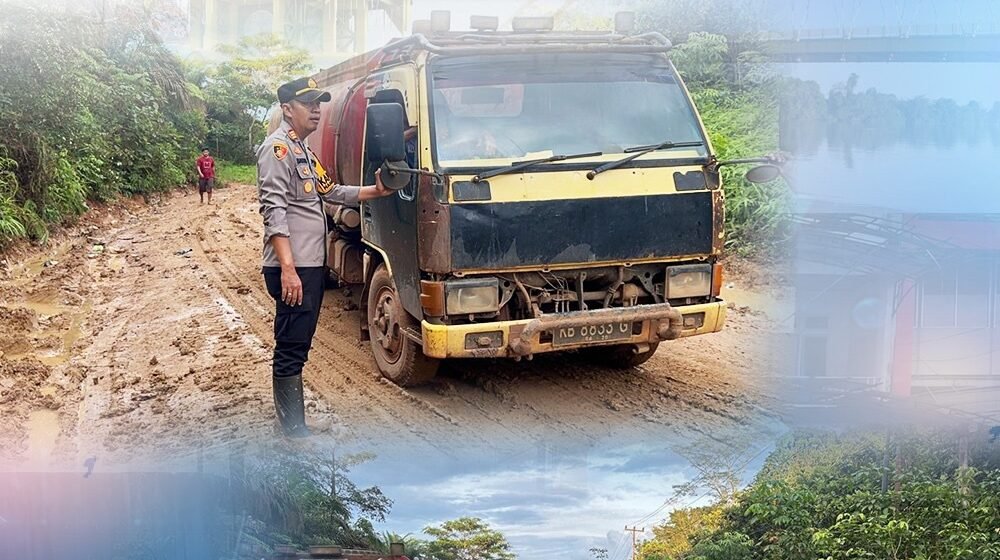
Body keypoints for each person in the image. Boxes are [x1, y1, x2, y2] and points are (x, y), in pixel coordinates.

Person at [257, 77, 394, 438]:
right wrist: (288, 269)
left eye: (319, 103)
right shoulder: (278, 151)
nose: (317, 109)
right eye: (308, 103)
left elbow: (331, 191)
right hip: (293, 267)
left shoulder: (302, 150)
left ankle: (292, 423)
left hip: (307, 265)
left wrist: (375, 190)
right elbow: (274, 212)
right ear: (288, 109)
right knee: (291, 343)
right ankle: (292, 430)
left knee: (298, 341)